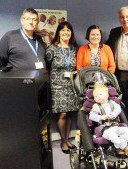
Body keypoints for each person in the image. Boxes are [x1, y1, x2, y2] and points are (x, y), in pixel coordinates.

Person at [45, 21, 79, 154]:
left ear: (71, 33)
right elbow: (47, 67)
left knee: (70, 113)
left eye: (68, 30)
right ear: (58, 32)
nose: (66, 32)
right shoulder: (51, 49)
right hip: (57, 86)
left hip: (71, 86)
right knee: (63, 114)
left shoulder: (73, 48)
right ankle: (63, 141)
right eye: (63, 30)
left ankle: (67, 139)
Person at [89, 82, 128, 158]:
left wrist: (112, 115)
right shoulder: (96, 106)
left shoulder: (112, 103)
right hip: (105, 129)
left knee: (126, 130)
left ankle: (118, 147)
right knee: (112, 135)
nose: (98, 97)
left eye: (100, 94)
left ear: (107, 95)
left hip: (115, 126)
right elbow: (91, 116)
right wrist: (101, 117)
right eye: (95, 96)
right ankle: (125, 148)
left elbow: (118, 109)